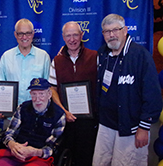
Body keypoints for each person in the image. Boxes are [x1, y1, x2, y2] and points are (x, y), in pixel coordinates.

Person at [92, 14, 162, 166]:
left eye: (115, 30)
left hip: (131, 127)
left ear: (125, 30)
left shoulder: (140, 56)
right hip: (106, 124)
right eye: (106, 31)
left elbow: (153, 95)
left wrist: (144, 127)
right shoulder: (103, 54)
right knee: (100, 162)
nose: (111, 35)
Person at [48, 21, 98, 166]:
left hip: (89, 121)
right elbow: (52, 89)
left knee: (87, 158)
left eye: (75, 35)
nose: (72, 39)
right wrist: (64, 111)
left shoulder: (94, 57)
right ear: (63, 37)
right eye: (68, 36)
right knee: (67, 158)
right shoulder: (56, 61)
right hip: (66, 120)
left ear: (81, 35)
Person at [0, 78, 66, 166]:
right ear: (30, 94)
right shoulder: (23, 107)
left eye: (41, 94)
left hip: (38, 156)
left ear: (49, 94)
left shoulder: (59, 115)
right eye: (34, 94)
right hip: (16, 152)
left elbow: (52, 147)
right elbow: (9, 132)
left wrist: (35, 152)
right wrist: (12, 145)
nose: (37, 99)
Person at [0, 18, 51, 108]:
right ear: (15, 35)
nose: (24, 37)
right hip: (11, 114)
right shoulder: (6, 56)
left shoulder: (43, 56)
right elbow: (0, 86)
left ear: (33, 34)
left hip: (36, 114)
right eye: (21, 33)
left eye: (28, 33)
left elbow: (48, 88)